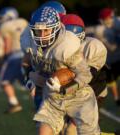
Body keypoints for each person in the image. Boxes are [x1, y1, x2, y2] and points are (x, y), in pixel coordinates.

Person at [21, 7, 100, 135]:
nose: (42, 36)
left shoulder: (66, 46)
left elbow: (85, 75)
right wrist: (29, 79)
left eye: (46, 31)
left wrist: (64, 88)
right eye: (38, 31)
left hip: (79, 97)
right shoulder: (32, 43)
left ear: (56, 28)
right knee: (43, 132)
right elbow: (26, 62)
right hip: (53, 96)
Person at [61, 13, 108, 135]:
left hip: (93, 90)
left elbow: (89, 76)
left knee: (71, 130)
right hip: (74, 91)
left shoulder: (93, 46)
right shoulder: (59, 49)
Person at [21, 0, 67, 112]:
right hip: (43, 72)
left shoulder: (67, 35)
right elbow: (27, 58)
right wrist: (29, 77)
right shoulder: (30, 34)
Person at [86, 8, 120, 106]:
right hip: (109, 59)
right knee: (111, 79)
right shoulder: (99, 30)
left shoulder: (116, 23)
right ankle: (117, 98)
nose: (110, 19)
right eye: (108, 18)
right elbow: (88, 30)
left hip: (117, 56)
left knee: (111, 79)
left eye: (111, 17)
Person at [0, 7, 28, 114]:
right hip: (28, 54)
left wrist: (5, 56)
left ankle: (13, 103)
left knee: (4, 81)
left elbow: (8, 42)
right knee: (30, 83)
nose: (0, 19)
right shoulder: (23, 21)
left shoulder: (5, 27)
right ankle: (41, 104)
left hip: (15, 56)